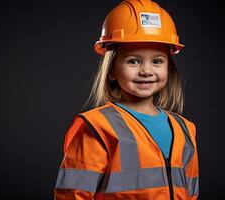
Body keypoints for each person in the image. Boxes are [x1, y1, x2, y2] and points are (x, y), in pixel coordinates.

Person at [54, 0, 199, 199]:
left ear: (168, 69)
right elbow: (72, 195)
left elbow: (190, 193)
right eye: (133, 61)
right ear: (112, 69)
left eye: (157, 61)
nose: (146, 71)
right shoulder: (98, 127)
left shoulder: (185, 129)